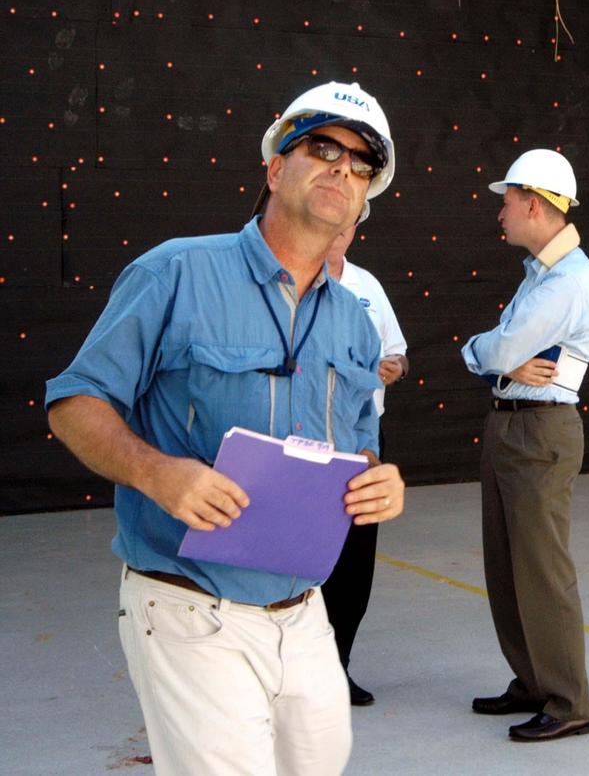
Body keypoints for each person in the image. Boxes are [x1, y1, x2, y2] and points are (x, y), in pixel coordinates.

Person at [45, 81, 407, 776]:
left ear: (366, 199)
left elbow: (358, 443)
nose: (343, 169)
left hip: (303, 613)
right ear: (276, 167)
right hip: (189, 606)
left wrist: (376, 479)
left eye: (362, 165)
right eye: (323, 148)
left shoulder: (355, 321)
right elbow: (75, 401)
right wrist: (155, 472)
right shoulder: (177, 272)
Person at [461, 149, 589, 742]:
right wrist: (496, 358)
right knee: (508, 566)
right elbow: (501, 357)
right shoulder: (543, 278)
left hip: (538, 431)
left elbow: (493, 351)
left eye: (508, 202)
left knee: (541, 571)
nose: (501, 213)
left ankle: (570, 702)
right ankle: (533, 680)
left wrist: (482, 353)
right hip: (514, 423)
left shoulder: (567, 283)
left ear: (535, 206)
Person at [320, 207, 409, 707]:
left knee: (354, 569)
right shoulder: (291, 280)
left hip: (363, 446)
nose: (340, 228)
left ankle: (338, 668)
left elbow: (398, 352)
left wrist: (393, 366)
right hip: (313, 443)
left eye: (350, 221)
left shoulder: (368, 287)